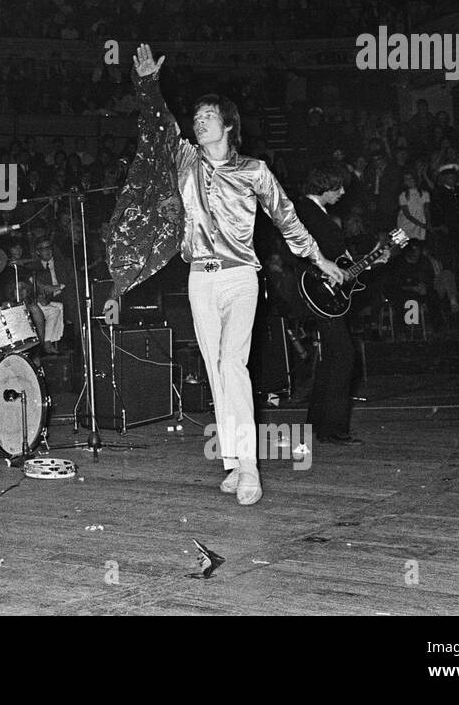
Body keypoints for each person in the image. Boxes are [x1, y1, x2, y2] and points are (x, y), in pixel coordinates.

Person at [109, 44, 344, 506]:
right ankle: (235, 463)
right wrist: (147, 85)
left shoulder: (254, 171)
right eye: (196, 117)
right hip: (200, 278)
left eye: (208, 116)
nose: (200, 122)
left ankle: (250, 468)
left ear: (228, 125)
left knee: (234, 363)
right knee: (217, 370)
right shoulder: (185, 161)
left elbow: (288, 219)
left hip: (240, 277)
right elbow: (159, 125)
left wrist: (320, 260)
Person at [295, 164, 383, 444]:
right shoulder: (305, 211)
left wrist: (371, 261)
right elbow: (298, 248)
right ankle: (332, 429)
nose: (343, 193)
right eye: (339, 187)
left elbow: (342, 265)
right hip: (317, 289)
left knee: (333, 357)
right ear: (324, 185)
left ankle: (317, 425)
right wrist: (321, 271)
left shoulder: (317, 213)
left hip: (328, 292)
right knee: (344, 355)